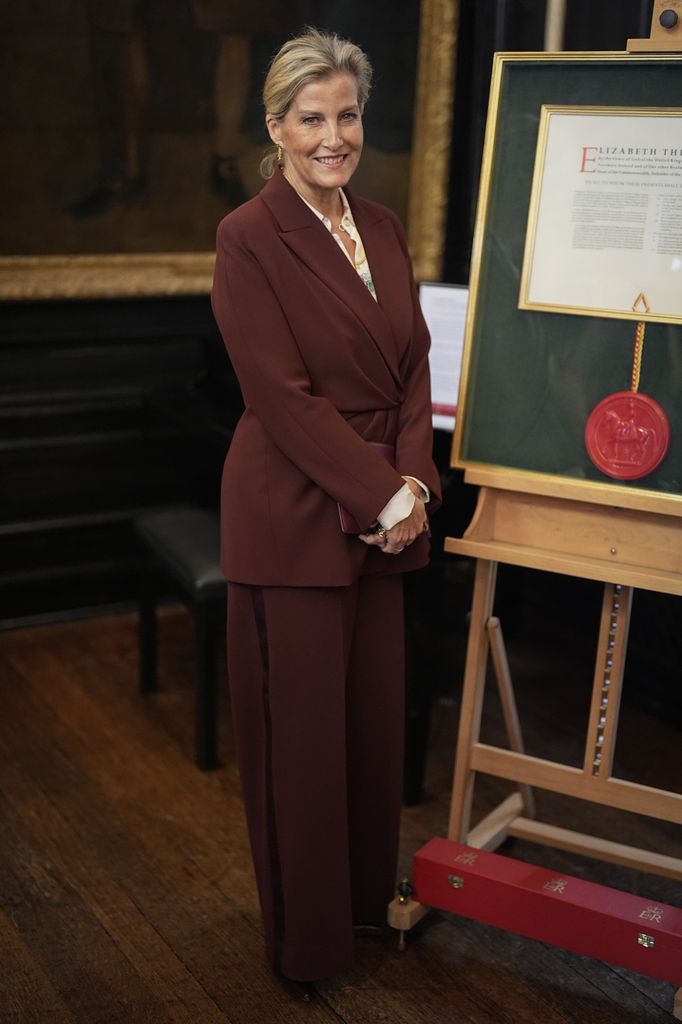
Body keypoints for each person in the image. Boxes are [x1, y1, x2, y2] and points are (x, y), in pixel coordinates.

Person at [210, 26, 440, 988]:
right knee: (299, 746)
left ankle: (356, 912)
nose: (333, 136)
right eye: (312, 119)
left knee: (368, 735)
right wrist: (382, 488)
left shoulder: (381, 225)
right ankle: (306, 953)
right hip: (295, 515)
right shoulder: (247, 237)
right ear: (277, 126)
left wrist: (416, 484)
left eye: (346, 116)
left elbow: (417, 362)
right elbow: (280, 398)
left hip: (390, 513)